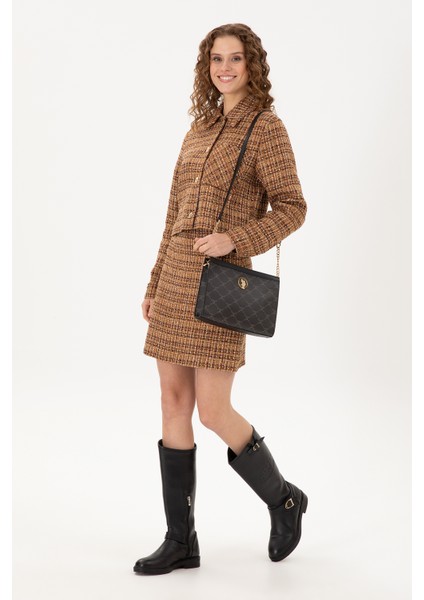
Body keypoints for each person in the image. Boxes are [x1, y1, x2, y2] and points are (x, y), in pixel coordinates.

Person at [134, 23, 308, 575]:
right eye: (216, 59)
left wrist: (236, 238)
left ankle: (285, 499)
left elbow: (293, 207)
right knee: (172, 403)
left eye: (235, 58)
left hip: (220, 284)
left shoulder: (266, 128)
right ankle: (180, 540)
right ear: (206, 67)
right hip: (176, 279)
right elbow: (173, 212)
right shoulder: (200, 128)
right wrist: (155, 280)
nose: (225, 68)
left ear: (252, 65)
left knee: (212, 411)